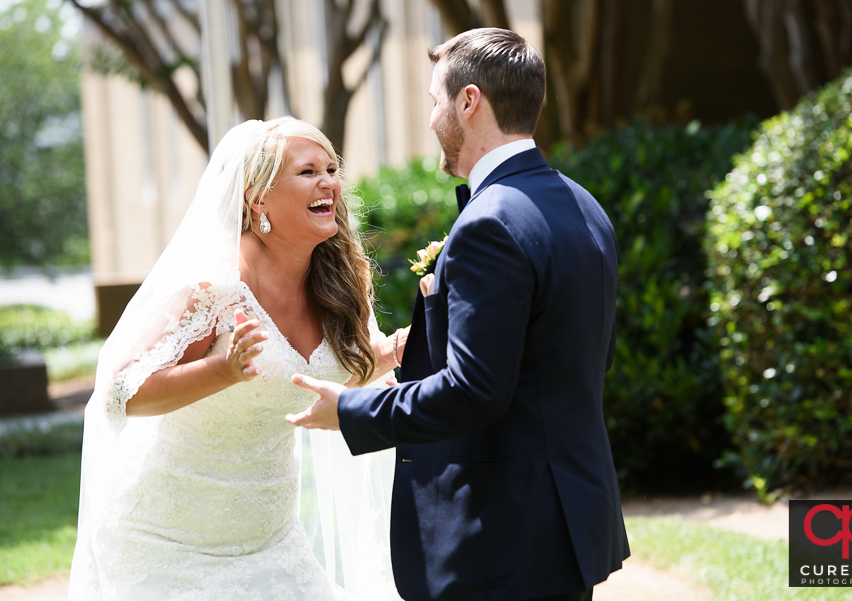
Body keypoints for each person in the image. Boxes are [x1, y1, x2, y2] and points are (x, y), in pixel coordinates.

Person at [290, 28, 630, 601]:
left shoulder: (489, 223)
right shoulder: (581, 204)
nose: (430, 119)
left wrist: (351, 410)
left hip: (501, 537)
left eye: (434, 101)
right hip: (564, 521)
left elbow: (476, 391)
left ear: (468, 101)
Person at [69, 117, 407, 600]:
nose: (328, 181)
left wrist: (397, 347)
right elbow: (123, 394)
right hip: (167, 542)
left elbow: (335, 371)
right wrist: (220, 370)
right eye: (308, 171)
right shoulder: (214, 287)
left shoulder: (335, 283)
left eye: (331, 169)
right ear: (257, 197)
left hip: (270, 540)